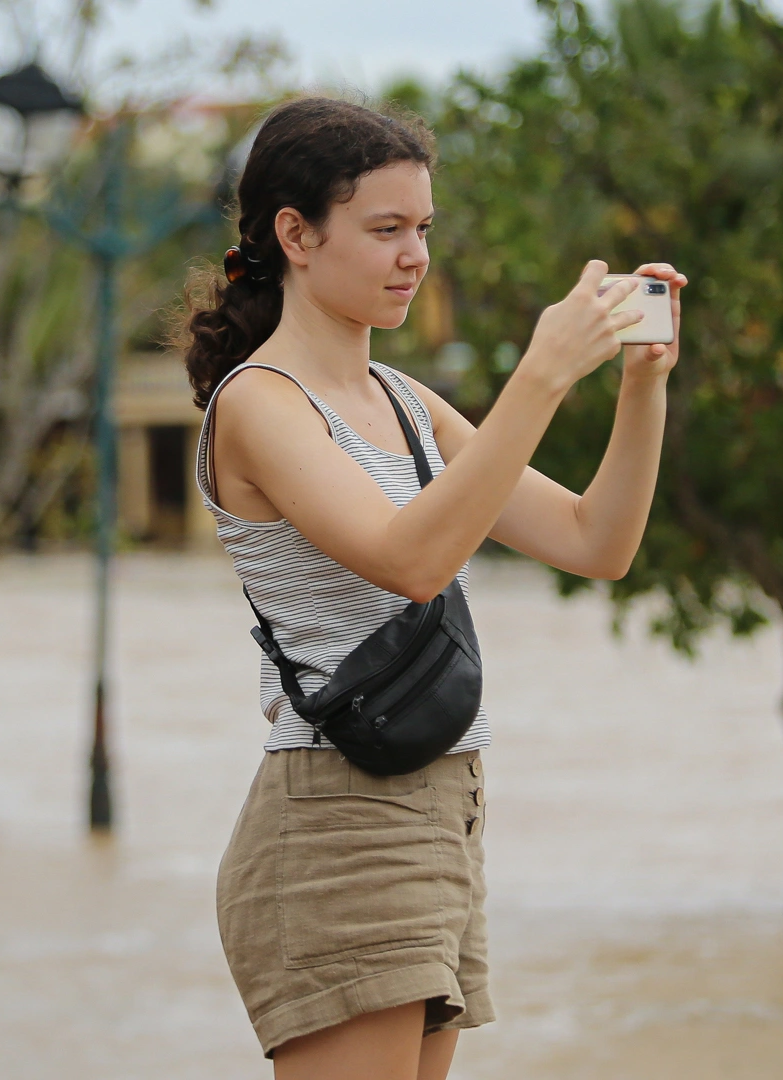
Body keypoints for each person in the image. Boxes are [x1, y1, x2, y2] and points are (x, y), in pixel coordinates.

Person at [179, 96, 683, 1080]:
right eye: (384, 230)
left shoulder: (406, 403)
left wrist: (641, 386)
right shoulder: (259, 404)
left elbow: (596, 541)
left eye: (422, 229)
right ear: (296, 236)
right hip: (338, 819)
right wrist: (540, 375)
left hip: (445, 806)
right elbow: (409, 560)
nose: (414, 256)